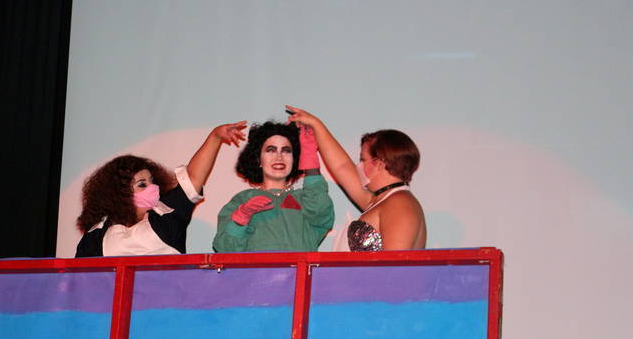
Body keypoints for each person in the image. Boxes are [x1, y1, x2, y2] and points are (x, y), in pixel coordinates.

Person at [75, 122, 246, 257]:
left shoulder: (167, 215)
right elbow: (83, 280)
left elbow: (193, 177)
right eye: (142, 184)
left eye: (152, 181)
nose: (153, 187)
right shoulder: (96, 235)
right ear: (118, 193)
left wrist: (215, 137)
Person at [286, 106, 426, 251]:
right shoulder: (382, 201)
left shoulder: (399, 204)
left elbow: (396, 262)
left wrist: (316, 124)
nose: (358, 166)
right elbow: (342, 166)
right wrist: (316, 125)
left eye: (362, 159)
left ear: (378, 164)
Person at [213, 121, 334, 252]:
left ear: (295, 160)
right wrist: (240, 219)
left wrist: (309, 158)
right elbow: (225, 248)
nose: (279, 157)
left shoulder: (306, 200)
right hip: (257, 266)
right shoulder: (243, 199)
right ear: (258, 160)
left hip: (300, 266)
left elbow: (321, 214)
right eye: (271, 150)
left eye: (286, 151)